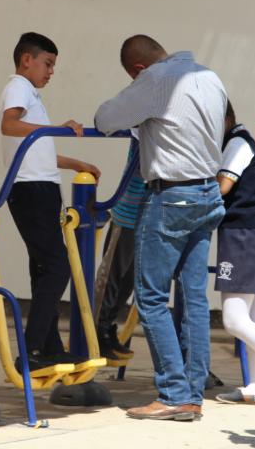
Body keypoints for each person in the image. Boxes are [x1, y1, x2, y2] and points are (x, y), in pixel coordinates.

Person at [95, 35, 226, 422]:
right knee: (195, 298)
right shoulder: (209, 76)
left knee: (150, 297)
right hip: (207, 192)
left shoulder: (155, 81)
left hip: (170, 196)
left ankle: (172, 392)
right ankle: (193, 392)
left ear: (137, 69)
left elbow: (105, 119)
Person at [0, 32, 101, 372]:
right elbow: (9, 125)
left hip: (41, 186)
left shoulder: (32, 97)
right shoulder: (17, 87)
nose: (51, 71)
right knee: (57, 267)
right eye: (48, 63)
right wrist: (55, 127)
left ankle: (48, 347)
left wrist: (77, 164)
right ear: (27, 59)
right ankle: (31, 350)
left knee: (44, 268)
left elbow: (39, 149)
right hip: (31, 190)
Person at [213, 101, 255, 406]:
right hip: (247, 235)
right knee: (253, 317)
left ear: (227, 118)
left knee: (234, 319)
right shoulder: (235, 140)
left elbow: (222, 187)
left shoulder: (238, 143)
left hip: (243, 237)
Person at [94, 139, 142, 361]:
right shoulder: (143, 114)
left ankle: (107, 326)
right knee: (112, 276)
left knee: (128, 281)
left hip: (148, 214)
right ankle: (95, 330)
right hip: (128, 211)